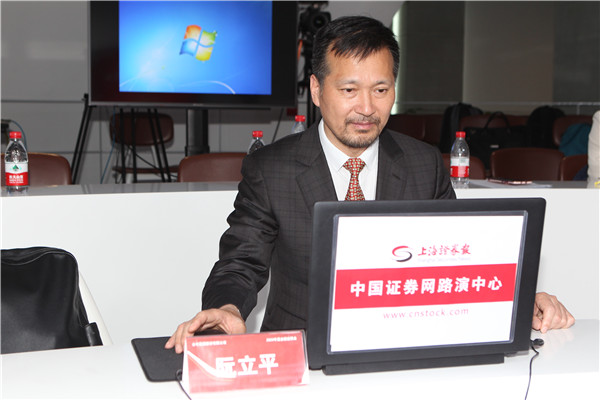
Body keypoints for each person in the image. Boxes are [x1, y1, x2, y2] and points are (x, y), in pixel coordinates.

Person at [166, 16, 574, 353]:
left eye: (381, 90)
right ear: (316, 90)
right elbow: (241, 262)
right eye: (349, 90)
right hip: (300, 351)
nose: (366, 108)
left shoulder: (423, 163)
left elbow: (457, 261)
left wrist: (521, 301)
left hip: (404, 347)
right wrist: (227, 308)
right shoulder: (271, 167)